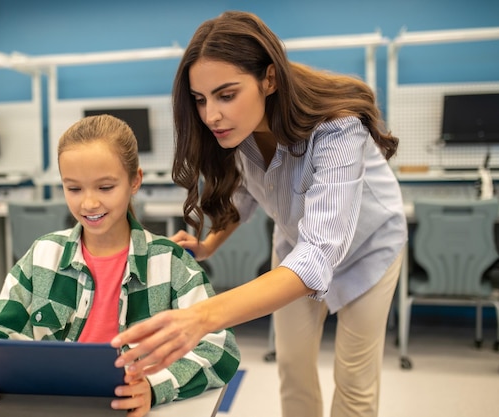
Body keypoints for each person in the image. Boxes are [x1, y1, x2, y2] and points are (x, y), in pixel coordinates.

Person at [111, 10, 407, 417]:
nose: (211, 115)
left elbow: (320, 254)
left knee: (354, 381)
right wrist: (210, 244)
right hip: (295, 246)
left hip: (368, 249)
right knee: (293, 368)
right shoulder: (239, 132)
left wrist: (201, 317)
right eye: (200, 99)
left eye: (226, 94)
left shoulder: (338, 129)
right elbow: (248, 194)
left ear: (269, 79)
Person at [0, 114, 240, 417]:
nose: (88, 203)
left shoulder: (171, 264)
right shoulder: (42, 255)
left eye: (105, 187)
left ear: (135, 181)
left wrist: (155, 388)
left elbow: (221, 350)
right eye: (74, 189)